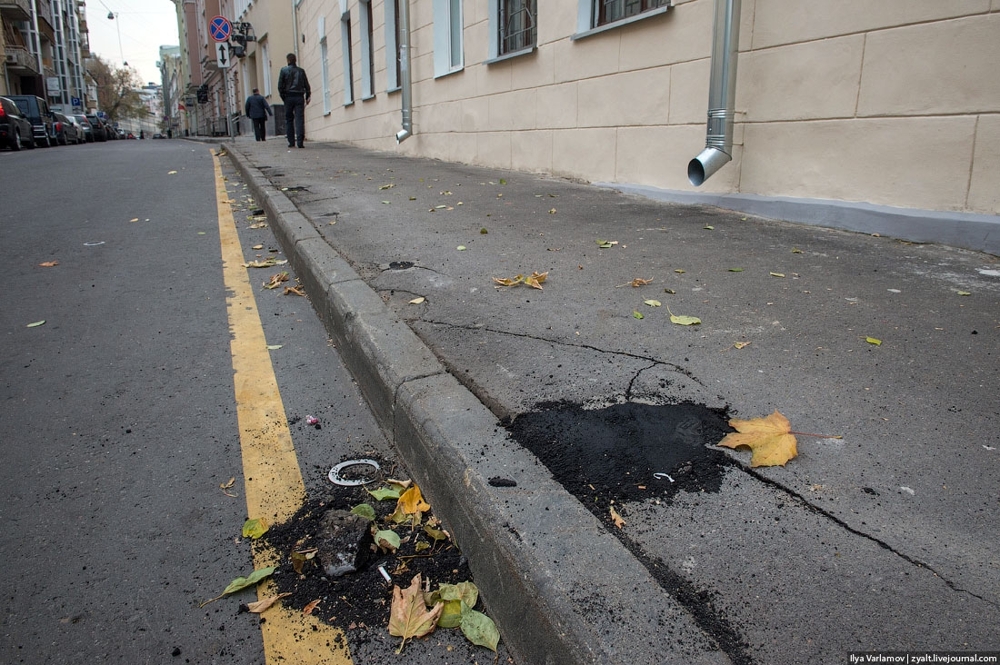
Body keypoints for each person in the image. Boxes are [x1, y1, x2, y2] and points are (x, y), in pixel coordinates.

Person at [277, 53, 311, 149]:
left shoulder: (283, 71)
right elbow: (306, 85)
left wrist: (283, 97)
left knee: (289, 119)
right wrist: (307, 96)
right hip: (299, 96)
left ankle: (291, 142)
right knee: (299, 118)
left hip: (288, 96)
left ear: (288, 60)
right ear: (295, 60)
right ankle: (300, 141)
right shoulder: (301, 71)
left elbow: (280, 86)